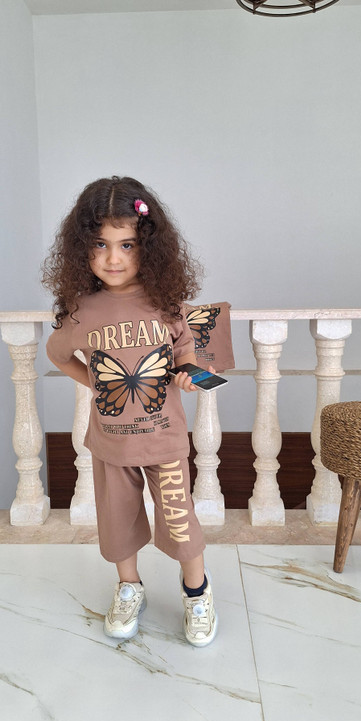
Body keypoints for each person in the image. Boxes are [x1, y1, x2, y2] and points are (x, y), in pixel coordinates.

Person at [42, 176, 217, 647]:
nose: (113, 258)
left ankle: (197, 590)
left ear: (150, 248)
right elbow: (58, 354)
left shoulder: (166, 306)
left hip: (164, 440)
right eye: (100, 244)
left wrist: (187, 372)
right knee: (118, 522)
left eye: (127, 245)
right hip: (111, 444)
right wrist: (96, 383)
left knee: (180, 521)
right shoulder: (81, 311)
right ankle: (129, 587)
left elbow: (186, 350)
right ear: (81, 248)